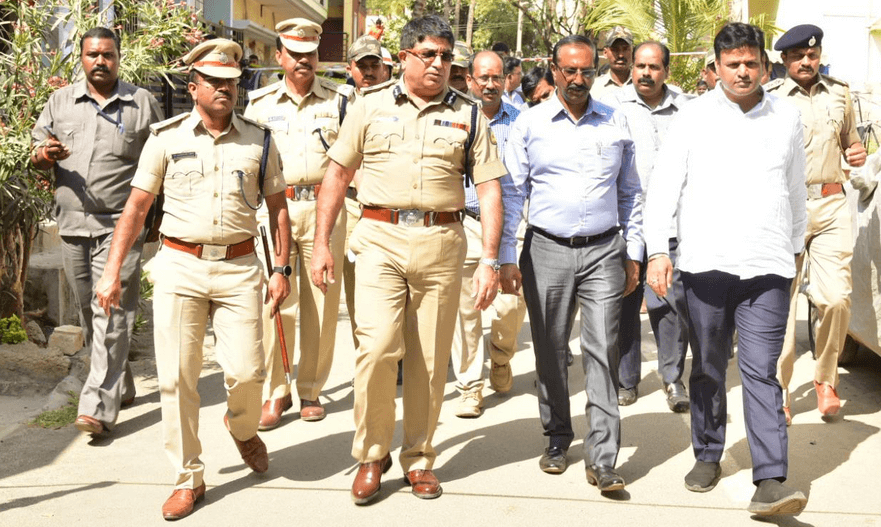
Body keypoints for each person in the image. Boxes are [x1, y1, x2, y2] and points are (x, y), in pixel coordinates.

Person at [310, 14, 506, 504]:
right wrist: (319, 244)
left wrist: (490, 261)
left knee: (429, 361)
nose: (439, 64)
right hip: (378, 237)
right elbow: (336, 176)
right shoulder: (368, 107)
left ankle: (418, 457)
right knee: (376, 349)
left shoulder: (469, 113)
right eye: (428, 54)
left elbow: (489, 188)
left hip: (443, 244)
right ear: (404, 58)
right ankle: (372, 453)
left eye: (445, 55)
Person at [94, 38, 291, 520]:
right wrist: (113, 270)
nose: (226, 89)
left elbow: (279, 207)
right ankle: (188, 477)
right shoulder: (166, 138)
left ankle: (242, 426)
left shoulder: (260, 140)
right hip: (180, 266)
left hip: (241, 268)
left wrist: (282, 268)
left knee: (248, 372)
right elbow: (137, 207)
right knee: (178, 378)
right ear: (194, 86)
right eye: (215, 82)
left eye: (232, 81)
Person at [644, 22, 808, 516]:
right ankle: (708, 454)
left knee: (761, 372)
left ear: (764, 64)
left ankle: (772, 479)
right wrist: (658, 250)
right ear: (715, 68)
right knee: (711, 369)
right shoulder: (692, 119)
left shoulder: (786, 118)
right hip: (706, 267)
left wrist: (795, 247)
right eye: (732, 64)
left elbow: (796, 190)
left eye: (751, 63)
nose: (742, 71)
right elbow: (663, 188)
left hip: (768, 268)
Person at [505, 34, 642, 492]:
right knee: (551, 350)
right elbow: (512, 194)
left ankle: (603, 458)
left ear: (596, 68)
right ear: (554, 69)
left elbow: (630, 194)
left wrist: (635, 250)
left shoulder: (615, 121)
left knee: (602, 350)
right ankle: (558, 438)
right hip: (546, 251)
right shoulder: (531, 123)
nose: (579, 79)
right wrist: (505, 255)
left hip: (604, 251)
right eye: (570, 71)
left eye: (587, 70)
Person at [31, 27, 163, 436]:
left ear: (119, 57)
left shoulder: (142, 104)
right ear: (82, 58)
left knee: (113, 310)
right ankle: (119, 384)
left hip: (120, 226)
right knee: (91, 311)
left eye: (107, 54)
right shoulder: (60, 101)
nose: (100, 61)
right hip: (72, 226)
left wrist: (158, 222)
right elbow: (36, 152)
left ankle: (97, 408)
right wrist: (45, 154)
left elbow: (164, 164)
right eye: (92, 55)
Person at [244, 18, 355, 430]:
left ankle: (310, 388)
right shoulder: (259, 104)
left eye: (310, 53)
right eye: (295, 53)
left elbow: (355, 157)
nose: (304, 60)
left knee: (321, 302)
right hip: (277, 211)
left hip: (325, 211)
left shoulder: (342, 100)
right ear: (280, 56)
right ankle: (277, 390)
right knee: (276, 302)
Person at [768, 24, 867, 425]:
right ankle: (780, 389)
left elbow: (851, 142)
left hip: (831, 204)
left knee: (835, 297)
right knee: (780, 303)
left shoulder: (840, 93)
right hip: (783, 210)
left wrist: (857, 150)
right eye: (797, 57)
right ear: (785, 61)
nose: (806, 62)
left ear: (819, 54)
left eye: (812, 55)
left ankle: (826, 380)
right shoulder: (770, 99)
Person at [603, 41, 691, 412]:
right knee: (625, 301)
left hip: (672, 222)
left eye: (654, 67)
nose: (645, 73)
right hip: (625, 222)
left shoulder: (687, 109)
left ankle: (673, 379)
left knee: (670, 302)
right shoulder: (611, 107)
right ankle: (626, 380)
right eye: (640, 65)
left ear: (666, 71)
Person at [451, 49, 526, 418]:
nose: (491, 84)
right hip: (464, 222)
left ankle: (501, 358)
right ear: (470, 80)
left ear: (506, 79)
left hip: (511, 225)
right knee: (465, 309)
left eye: (497, 77)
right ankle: (469, 386)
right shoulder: (456, 119)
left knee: (509, 306)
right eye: (483, 78)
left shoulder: (523, 122)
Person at [341, 35, 391, 354]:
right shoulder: (339, 105)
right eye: (363, 67)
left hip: (389, 209)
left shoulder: (399, 103)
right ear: (351, 70)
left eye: (375, 65)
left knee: (392, 286)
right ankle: (367, 357)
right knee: (357, 288)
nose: (369, 72)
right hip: (351, 209)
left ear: (386, 69)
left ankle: (394, 350)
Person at [591, 26, 633, 100]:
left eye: (625, 49)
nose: (621, 55)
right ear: (605, 53)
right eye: (615, 49)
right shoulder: (594, 87)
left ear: (632, 51)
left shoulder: (641, 85)